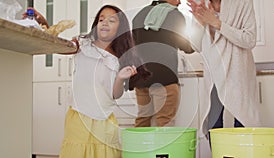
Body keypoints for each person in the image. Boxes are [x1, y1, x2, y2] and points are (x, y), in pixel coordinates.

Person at [26, 5, 146, 158]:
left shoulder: (118, 59)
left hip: (105, 120)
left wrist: (121, 78)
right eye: (101, 19)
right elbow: (57, 46)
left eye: (111, 20)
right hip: (79, 116)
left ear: (120, 27)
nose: (104, 23)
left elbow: (115, 94)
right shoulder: (83, 44)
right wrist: (45, 25)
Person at [187, 0, 261, 138]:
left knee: (243, 123)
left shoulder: (243, 3)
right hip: (214, 74)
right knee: (213, 126)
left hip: (238, 72)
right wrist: (200, 24)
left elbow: (250, 39)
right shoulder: (201, 5)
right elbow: (195, 46)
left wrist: (217, 23)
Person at [130, 0, 194, 127]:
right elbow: (185, 46)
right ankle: (163, 148)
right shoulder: (174, 15)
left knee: (142, 121)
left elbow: (134, 46)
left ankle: (137, 147)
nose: (180, 2)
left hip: (142, 80)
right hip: (165, 79)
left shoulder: (139, 15)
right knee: (165, 123)